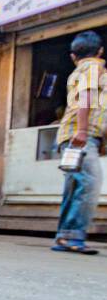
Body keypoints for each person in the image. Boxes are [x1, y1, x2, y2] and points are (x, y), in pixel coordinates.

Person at [53, 31, 107, 255]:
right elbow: (86, 98)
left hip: (73, 134)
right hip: (80, 133)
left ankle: (65, 236)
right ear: (100, 51)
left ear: (73, 55)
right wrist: (84, 130)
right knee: (90, 183)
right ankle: (73, 235)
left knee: (75, 186)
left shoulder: (78, 70)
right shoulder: (94, 67)